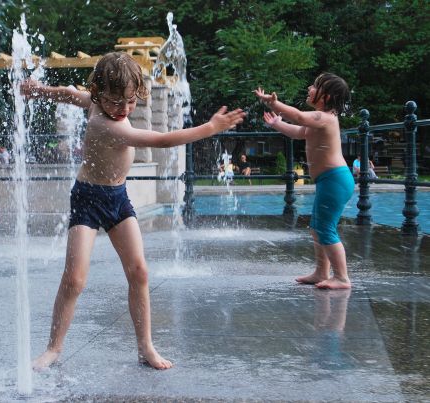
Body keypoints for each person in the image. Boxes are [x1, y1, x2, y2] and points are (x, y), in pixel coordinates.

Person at [20, 52, 245, 370]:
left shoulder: (99, 104)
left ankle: (145, 347)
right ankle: (54, 348)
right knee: (74, 279)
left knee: (139, 272)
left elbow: (71, 95)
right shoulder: (104, 123)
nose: (123, 110)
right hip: (87, 199)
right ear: (99, 93)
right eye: (115, 102)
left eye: (129, 102)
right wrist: (210, 127)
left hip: (118, 199)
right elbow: (163, 140)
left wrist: (40, 90)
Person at [255, 72, 354, 290]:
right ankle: (321, 272)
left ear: (326, 97)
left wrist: (275, 103)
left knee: (326, 228)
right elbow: (299, 131)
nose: (309, 87)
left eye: (315, 86)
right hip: (329, 181)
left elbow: (299, 117)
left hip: (335, 180)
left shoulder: (325, 118)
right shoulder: (317, 119)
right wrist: (277, 124)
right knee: (317, 228)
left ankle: (342, 277)